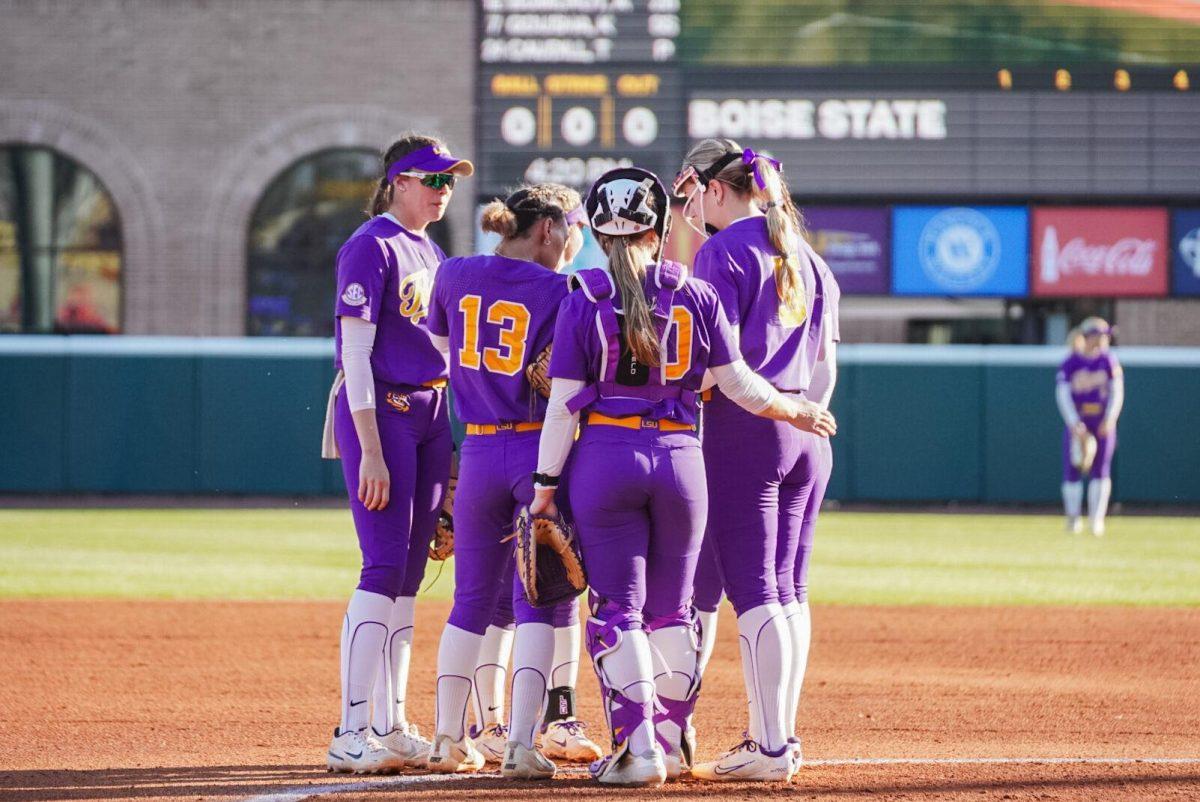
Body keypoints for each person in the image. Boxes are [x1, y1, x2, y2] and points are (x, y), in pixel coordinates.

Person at [530, 167, 835, 787]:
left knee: (620, 611)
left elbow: (564, 407)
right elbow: (741, 385)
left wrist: (543, 488)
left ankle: (638, 749)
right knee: (674, 613)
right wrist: (796, 407)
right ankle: (668, 743)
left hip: (606, 460)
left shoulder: (584, 295)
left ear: (598, 228)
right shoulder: (694, 291)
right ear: (659, 225)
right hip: (681, 461)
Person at [673, 138, 841, 780]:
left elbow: (717, 365)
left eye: (696, 194)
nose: (693, 206)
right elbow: (827, 367)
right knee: (790, 591)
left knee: (755, 593)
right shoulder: (811, 258)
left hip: (748, 428)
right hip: (808, 434)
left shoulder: (721, 251)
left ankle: (768, 746)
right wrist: (805, 416)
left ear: (718, 189)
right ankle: (780, 737)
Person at [424, 184, 601, 778]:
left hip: (477, 446)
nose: (578, 240)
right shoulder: (562, 290)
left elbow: (443, 349)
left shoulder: (452, 273)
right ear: (548, 228)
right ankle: (522, 745)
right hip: (535, 447)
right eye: (574, 227)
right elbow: (572, 382)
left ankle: (448, 738)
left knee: (469, 599)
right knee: (540, 601)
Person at [320, 134, 472, 773]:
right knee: (382, 567)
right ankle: (351, 729)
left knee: (410, 576)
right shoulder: (370, 246)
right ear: (398, 181)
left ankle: (391, 721)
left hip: (431, 413)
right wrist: (373, 450)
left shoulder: (430, 249)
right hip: (382, 412)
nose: (444, 190)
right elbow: (354, 354)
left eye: (449, 181)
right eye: (433, 179)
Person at [1056, 317, 1123, 536]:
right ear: (1088, 336)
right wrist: (1074, 422)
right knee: (1073, 468)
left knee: (1101, 470)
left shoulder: (1108, 360)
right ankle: (1073, 519)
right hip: (1080, 422)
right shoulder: (1071, 362)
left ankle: (1096, 520)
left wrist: (1111, 417)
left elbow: (1117, 392)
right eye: (1100, 335)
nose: (1104, 339)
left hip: (1101, 421)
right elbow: (1063, 395)